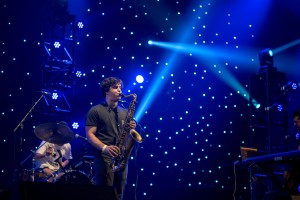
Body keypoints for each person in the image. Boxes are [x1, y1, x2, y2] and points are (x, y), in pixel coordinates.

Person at [85, 77, 137, 200]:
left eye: (120, 87)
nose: (120, 90)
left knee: (119, 194)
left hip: (121, 158)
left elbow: (127, 134)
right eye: (115, 87)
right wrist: (105, 148)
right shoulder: (95, 110)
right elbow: (89, 134)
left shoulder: (125, 112)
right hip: (104, 157)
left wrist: (131, 128)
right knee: (103, 194)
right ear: (106, 91)